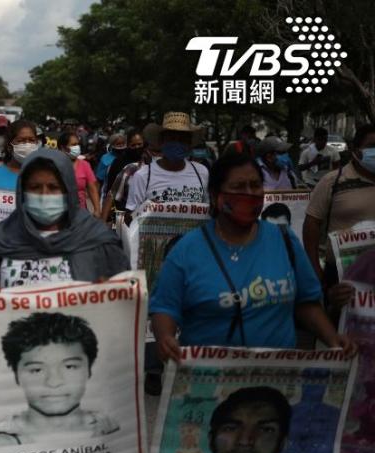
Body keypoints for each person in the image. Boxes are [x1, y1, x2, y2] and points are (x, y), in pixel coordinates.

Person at [0, 147, 128, 453]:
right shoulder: (0, 239)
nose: (44, 195)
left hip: (74, 389)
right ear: (22, 192)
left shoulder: (98, 241)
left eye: (52, 186)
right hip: (14, 386)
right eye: (35, 187)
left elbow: (124, 303)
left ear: (68, 191)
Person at [150, 152, 355, 367]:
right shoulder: (186, 250)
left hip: (277, 380)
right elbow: (164, 307)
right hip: (206, 382)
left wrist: (332, 339)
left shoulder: (284, 240)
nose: (249, 193)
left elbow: (306, 303)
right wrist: (165, 338)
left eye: (255, 185)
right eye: (239, 187)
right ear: (214, 195)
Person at [0, 313, 119, 447]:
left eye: (69, 367)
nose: (54, 382)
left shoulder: (111, 427)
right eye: (37, 370)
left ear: (89, 370)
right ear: (16, 375)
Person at [303, 124, 375, 291]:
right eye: (372, 146)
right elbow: (311, 225)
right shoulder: (332, 182)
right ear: (355, 150)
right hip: (341, 275)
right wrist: (315, 270)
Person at [209, 386, 291, 453]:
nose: (245, 441)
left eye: (265, 430)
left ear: (282, 444)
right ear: (211, 440)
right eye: (231, 428)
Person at [125, 112, 209, 212]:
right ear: (161, 142)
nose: (177, 143)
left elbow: (207, 211)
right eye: (172, 138)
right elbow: (131, 217)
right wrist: (147, 209)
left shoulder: (201, 172)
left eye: (182, 139)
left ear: (189, 144)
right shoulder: (143, 176)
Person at [0, 119, 39, 191]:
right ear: (9, 146)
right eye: (20, 140)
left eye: (32, 140)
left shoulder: (46, 176)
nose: (27, 144)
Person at [58, 132, 99, 215]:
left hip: (80, 213)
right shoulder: (54, 165)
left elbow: (92, 189)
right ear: (63, 148)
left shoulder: (85, 165)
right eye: (73, 144)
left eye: (78, 144)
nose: (77, 147)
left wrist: (97, 209)